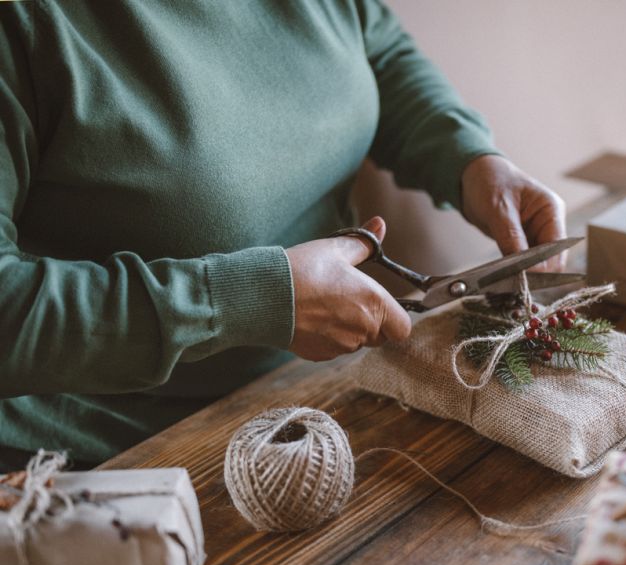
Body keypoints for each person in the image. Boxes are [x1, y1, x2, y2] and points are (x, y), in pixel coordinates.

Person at [0, 1, 566, 472]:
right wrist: (251, 300)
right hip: (116, 468)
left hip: (326, 407)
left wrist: (467, 159)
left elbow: (375, 48)